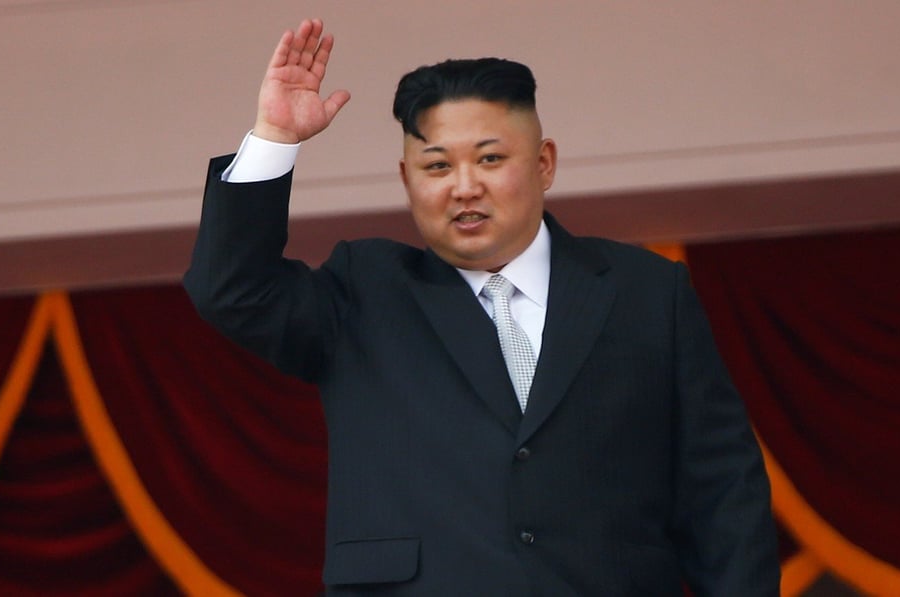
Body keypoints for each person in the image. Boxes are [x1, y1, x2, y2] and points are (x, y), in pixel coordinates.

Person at [185, 17, 779, 597]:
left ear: (544, 163)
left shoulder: (646, 291)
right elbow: (231, 289)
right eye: (437, 165)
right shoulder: (363, 291)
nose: (463, 186)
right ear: (406, 178)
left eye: (490, 159)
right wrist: (274, 137)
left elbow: (723, 491)